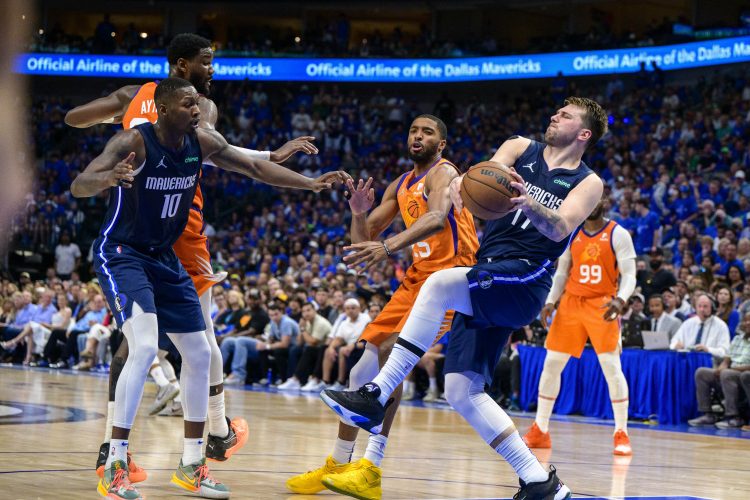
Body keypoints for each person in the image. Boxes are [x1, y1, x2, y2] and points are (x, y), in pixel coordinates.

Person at [72, 77, 346, 499]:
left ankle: (192, 465)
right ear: (164, 109)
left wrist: (308, 183)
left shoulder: (201, 141)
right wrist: (110, 177)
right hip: (123, 253)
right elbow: (80, 183)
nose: (197, 110)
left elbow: (255, 167)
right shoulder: (134, 142)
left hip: (164, 257)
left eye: (197, 104)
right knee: (143, 347)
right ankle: (115, 464)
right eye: (188, 104)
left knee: (200, 353)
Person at [321, 97, 608, 499]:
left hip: (527, 275)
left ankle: (376, 393)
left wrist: (529, 201)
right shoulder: (519, 147)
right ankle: (539, 481)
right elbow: (484, 175)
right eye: (557, 111)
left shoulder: (588, 181)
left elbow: (561, 229)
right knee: (461, 390)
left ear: (584, 133)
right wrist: (461, 186)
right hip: (490, 268)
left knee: (439, 285)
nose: (555, 115)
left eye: (566, 115)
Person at [286, 114, 479, 500]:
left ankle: (371, 467)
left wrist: (388, 246)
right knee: (363, 366)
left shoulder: (444, 173)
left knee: (391, 355)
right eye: (413, 130)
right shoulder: (401, 184)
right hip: (416, 279)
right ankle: (339, 464)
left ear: (441, 144)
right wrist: (358, 212)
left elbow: (436, 218)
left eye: (427, 132)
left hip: (452, 279)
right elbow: (363, 241)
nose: (418, 136)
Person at [522, 196, 637, 456]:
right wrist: (550, 301)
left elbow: (630, 275)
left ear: (604, 201)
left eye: (597, 199)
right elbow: (562, 271)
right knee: (551, 365)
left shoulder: (618, 234)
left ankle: (621, 432)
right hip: (571, 304)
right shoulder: (571, 232)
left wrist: (621, 300)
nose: (592, 203)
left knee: (611, 367)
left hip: (603, 304)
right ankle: (540, 429)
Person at [688, 313, 750, 429]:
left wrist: (729, 369)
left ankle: (734, 417)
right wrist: (721, 367)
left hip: (744, 375)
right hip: (730, 372)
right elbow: (727, 360)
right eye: (745, 320)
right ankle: (707, 414)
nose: (747, 323)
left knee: (727, 373)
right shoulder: (737, 338)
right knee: (702, 373)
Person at [670, 294, 731, 358]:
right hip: (688, 360)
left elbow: (724, 352)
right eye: (699, 306)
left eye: (705, 306)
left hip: (710, 362)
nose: (702, 309)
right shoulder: (688, 323)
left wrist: (708, 350)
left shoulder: (721, 326)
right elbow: (673, 341)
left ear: (712, 308)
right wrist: (675, 345)